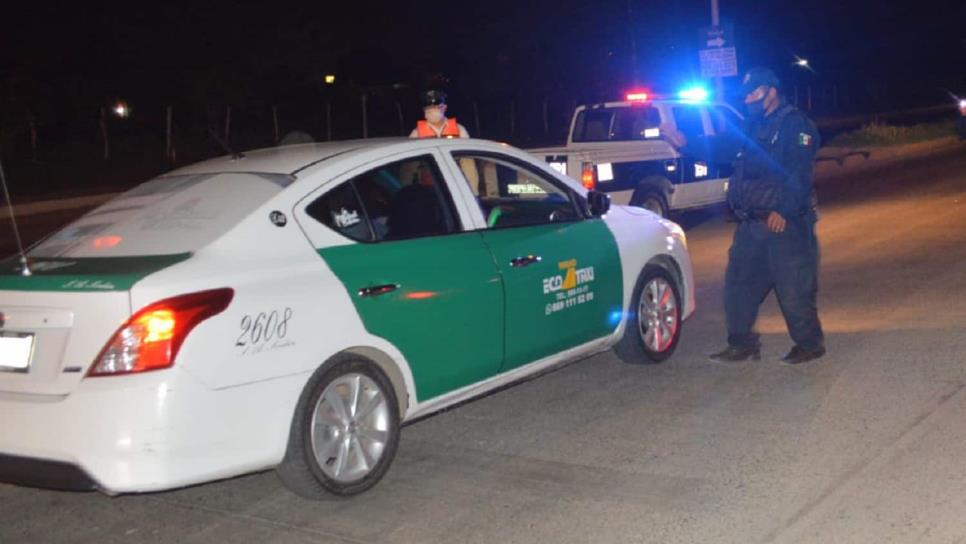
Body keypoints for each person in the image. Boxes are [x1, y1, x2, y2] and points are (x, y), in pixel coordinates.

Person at [708, 67, 826, 365]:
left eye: (755, 93)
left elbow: (799, 173)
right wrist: (685, 142)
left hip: (785, 223)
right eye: (746, 94)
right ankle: (742, 344)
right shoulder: (750, 126)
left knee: (793, 288)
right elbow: (722, 148)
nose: (749, 99)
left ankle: (810, 344)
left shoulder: (795, 125)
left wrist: (783, 209)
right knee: (738, 285)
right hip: (752, 222)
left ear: (772, 91)